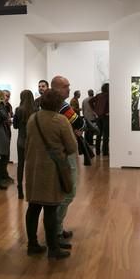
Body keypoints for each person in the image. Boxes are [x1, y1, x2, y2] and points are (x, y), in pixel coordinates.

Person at [25, 89, 77, 259]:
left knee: (33, 208)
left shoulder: (33, 119)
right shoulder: (60, 120)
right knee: (50, 209)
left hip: (33, 168)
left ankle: (32, 244)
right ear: (57, 103)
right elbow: (71, 147)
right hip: (51, 170)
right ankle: (53, 248)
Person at [50, 76, 84, 247]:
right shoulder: (63, 106)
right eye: (65, 86)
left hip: (52, 154)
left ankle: (56, 228)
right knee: (69, 191)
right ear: (55, 88)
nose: (68, 89)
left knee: (58, 192)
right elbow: (80, 122)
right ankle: (55, 230)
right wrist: (76, 128)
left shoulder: (43, 106)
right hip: (64, 152)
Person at [13, 89, 35, 200]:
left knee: (20, 164)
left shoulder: (18, 110)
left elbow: (15, 126)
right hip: (32, 141)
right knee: (31, 165)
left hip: (21, 140)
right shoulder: (35, 110)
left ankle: (20, 189)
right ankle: (31, 189)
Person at [90, 83, 110, 156]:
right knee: (105, 135)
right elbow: (91, 102)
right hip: (105, 117)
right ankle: (105, 152)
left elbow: (90, 101)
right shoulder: (108, 95)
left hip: (99, 117)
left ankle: (98, 152)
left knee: (99, 134)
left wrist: (95, 110)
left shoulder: (99, 95)